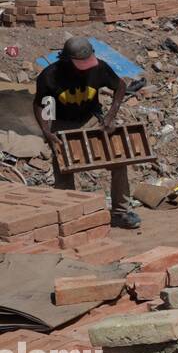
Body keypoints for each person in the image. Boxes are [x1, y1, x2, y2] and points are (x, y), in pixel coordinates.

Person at [32, 36, 140, 229]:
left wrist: (110, 115)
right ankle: (70, 218)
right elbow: (42, 104)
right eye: (82, 64)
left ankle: (120, 213)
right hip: (63, 123)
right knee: (64, 169)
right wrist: (47, 131)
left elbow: (120, 86)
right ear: (66, 60)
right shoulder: (50, 76)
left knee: (118, 160)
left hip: (91, 119)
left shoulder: (99, 68)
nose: (88, 67)